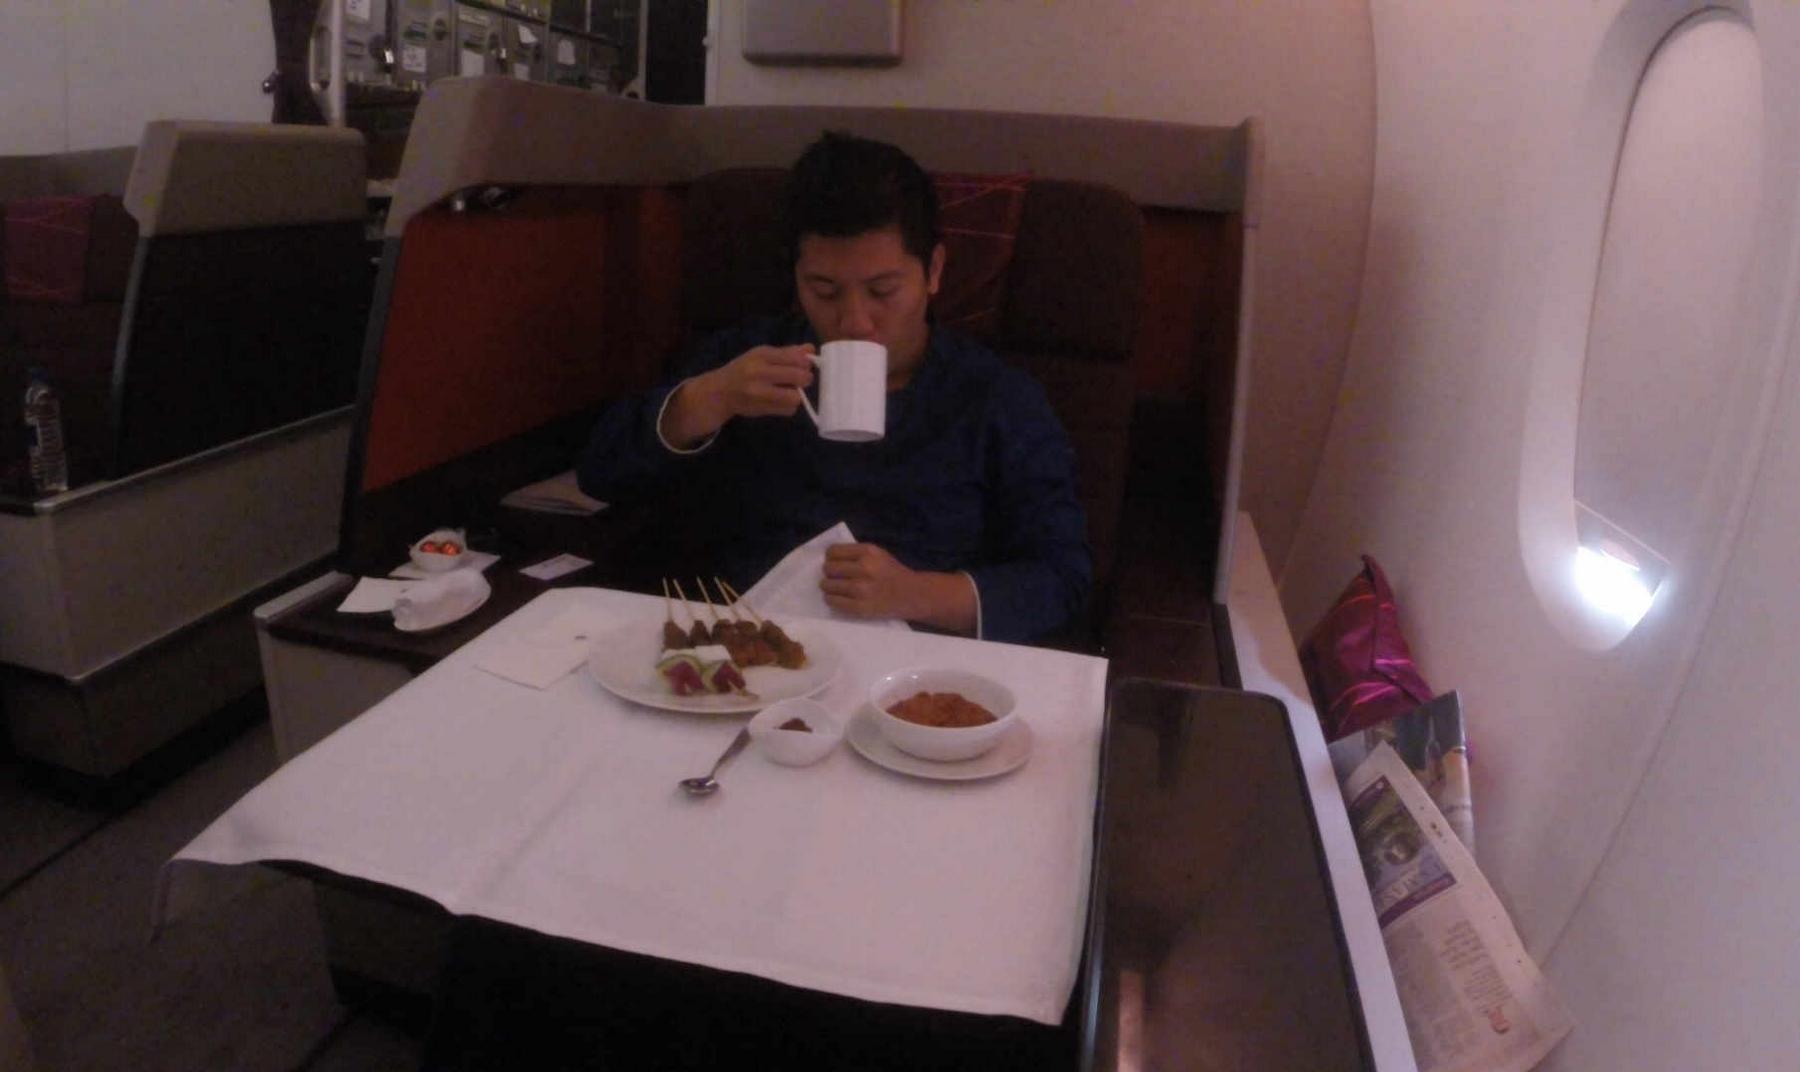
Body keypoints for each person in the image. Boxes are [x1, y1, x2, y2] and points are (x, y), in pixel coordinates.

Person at [577, 131, 1089, 644]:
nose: (855, 321)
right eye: (824, 290)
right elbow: (601, 476)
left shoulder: (995, 398)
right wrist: (704, 400)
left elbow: (1063, 580)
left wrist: (916, 592)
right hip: (741, 648)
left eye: (882, 291)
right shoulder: (748, 359)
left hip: (911, 664)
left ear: (933, 270)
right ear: (796, 278)